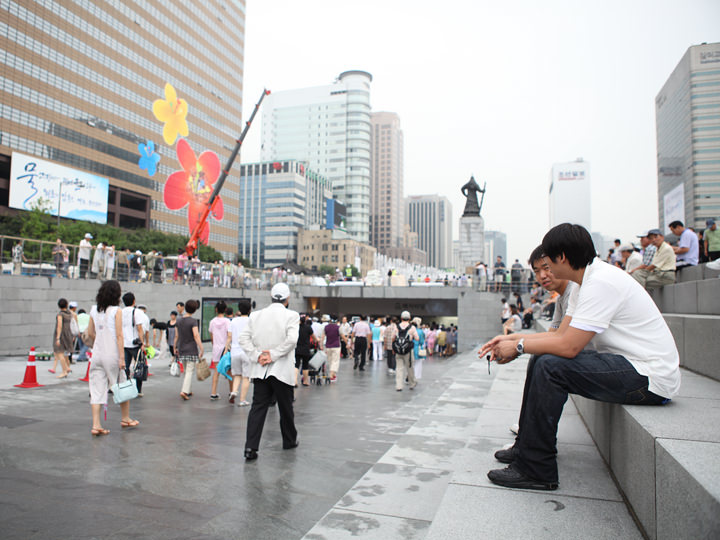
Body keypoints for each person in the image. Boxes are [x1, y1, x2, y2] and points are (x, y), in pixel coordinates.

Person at [480, 224, 680, 491]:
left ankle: (536, 470)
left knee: (551, 366)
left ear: (561, 257)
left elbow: (569, 347)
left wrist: (518, 347)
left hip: (649, 377)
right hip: (629, 366)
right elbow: (558, 337)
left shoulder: (600, 282)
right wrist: (511, 340)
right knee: (541, 359)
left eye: (548, 261)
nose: (546, 269)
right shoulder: (584, 282)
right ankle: (526, 448)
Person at [239, 283, 300, 460]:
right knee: (286, 407)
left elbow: (243, 339)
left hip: (260, 369)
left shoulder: (256, 315)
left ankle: (250, 448)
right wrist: (273, 355)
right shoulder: (292, 315)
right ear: (287, 299)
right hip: (281, 369)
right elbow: (292, 340)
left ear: (271, 297)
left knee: (257, 408)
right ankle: (289, 440)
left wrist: (258, 356)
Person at [85, 280, 139, 436]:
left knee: (96, 389)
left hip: (97, 354)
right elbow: (119, 335)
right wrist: (122, 358)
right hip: (112, 354)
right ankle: (125, 418)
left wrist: (98, 341)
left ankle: (96, 425)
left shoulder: (94, 309)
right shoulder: (117, 311)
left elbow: (90, 333)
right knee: (121, 384)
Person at [175, 299, 204, 400]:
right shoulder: (193, 321)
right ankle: (184, 391)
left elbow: (176, 336)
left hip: (182, 348)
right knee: (190, 371)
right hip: (191, 349)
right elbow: (196, 335)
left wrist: (175, 347)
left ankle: (188, 390)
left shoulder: (178, 320)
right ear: (195, 310)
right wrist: (201, 347)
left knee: (186, 370)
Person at [121, 293, 148, 397]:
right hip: (135, 344)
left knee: (125, 367)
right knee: (139, 367)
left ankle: (126, 387)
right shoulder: (137, 312)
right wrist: (142, 343)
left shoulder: (120, 312)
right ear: (134, 301)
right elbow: (139, 328)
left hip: (124, 344)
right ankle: (138, 390)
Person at [227, 299, 252, 405]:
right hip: (247, 351)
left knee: (237, 374)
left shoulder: (234, 321)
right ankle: (242, 400)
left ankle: (234, 391)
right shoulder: (251, 321)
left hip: (235, 351)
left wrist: (227, 348)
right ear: (250, 309)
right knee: (246, 376)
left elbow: (229, 336)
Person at [208, 300, 230, 400]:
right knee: (229, 371)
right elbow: (229, 335)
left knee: (216, 372)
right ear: (225, 310)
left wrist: (214, 345)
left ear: (216, 309)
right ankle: (231, 391)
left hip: (216, 348)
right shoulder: (227, 321)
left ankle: (213, 393)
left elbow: (211, 336)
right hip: (225, 349)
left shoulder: (212, 322)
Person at [393, 311, 419, 391]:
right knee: (410, 367)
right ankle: (412, 384)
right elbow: (417, 338)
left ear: (401, 318)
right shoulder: (412, 327)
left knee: (399, 368)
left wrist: (393, 349)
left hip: (398, 350)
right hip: (408, 350)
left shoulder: (396, 327)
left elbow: (393, 338)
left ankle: (399, 386)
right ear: (409, 318)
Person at [51, 298, 73, 378]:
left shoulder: (60, 314)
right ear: (67, 305)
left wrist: (58, 338)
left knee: (59, 353)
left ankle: (64, 371)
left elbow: (59, 326)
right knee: (66, 353)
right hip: (69, 334)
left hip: (62, 335)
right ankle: (67, 368)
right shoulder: (70, 314)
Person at [321, 315, 341, 382]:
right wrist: (347, 343)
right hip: (336, 346)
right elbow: (342, 335)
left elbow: (323, 336)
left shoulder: (326, 327)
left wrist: (321, 345)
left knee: (330, 360)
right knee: (335, 361)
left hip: (328, 346)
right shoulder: (338, 327)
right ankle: (331, 375)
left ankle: (333, 374)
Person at [295, 316, 314, 386]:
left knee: (296, 365)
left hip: (297, 348)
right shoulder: (308, 327)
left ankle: (295, 381)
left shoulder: (296, 327)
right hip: (306, 349)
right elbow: (314, 337)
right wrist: (317, 340)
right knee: (305, 365)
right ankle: (305, 381)